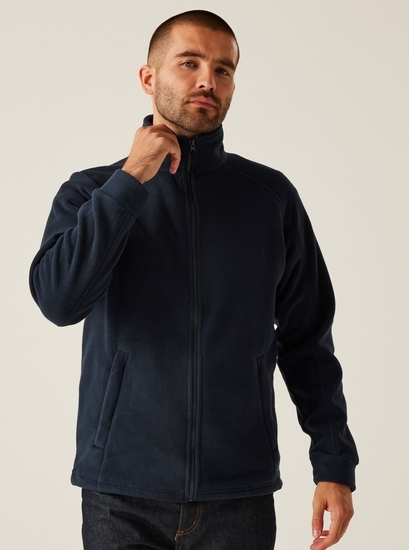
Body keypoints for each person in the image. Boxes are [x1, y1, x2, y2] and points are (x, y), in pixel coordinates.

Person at [29, 9, 358, 550]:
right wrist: (131, 179)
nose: (208, 79)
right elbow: (59, 301)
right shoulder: (91, 192)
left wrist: (334, 464)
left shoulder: (270, 198)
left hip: (239, 497)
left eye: (223, 69)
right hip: (121, 495)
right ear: (149, 78)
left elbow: (308, 338)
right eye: (189, 63)